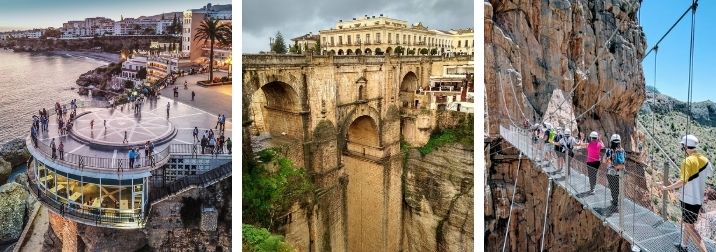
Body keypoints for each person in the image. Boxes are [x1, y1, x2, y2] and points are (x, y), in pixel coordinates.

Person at [661, 135, 712, 252]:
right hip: (698, 199)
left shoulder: (687, 162)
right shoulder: (705, 160)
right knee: (688, 224)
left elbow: (682, 181)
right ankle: (684, 246)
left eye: (682, 146)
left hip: (688, 199)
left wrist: (667, 187)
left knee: (689, 227)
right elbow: (710, 173)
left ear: (685, 147)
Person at [603, 134, 625, 214]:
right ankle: (615, 202)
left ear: (611, 141)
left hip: (610, 172)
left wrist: (608, 160)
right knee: (617, 187)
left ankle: (615, 204)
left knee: (613, 188)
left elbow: (604, 161)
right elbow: (623, 162)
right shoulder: (622, 150)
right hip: (619, 172)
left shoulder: (609, 150)